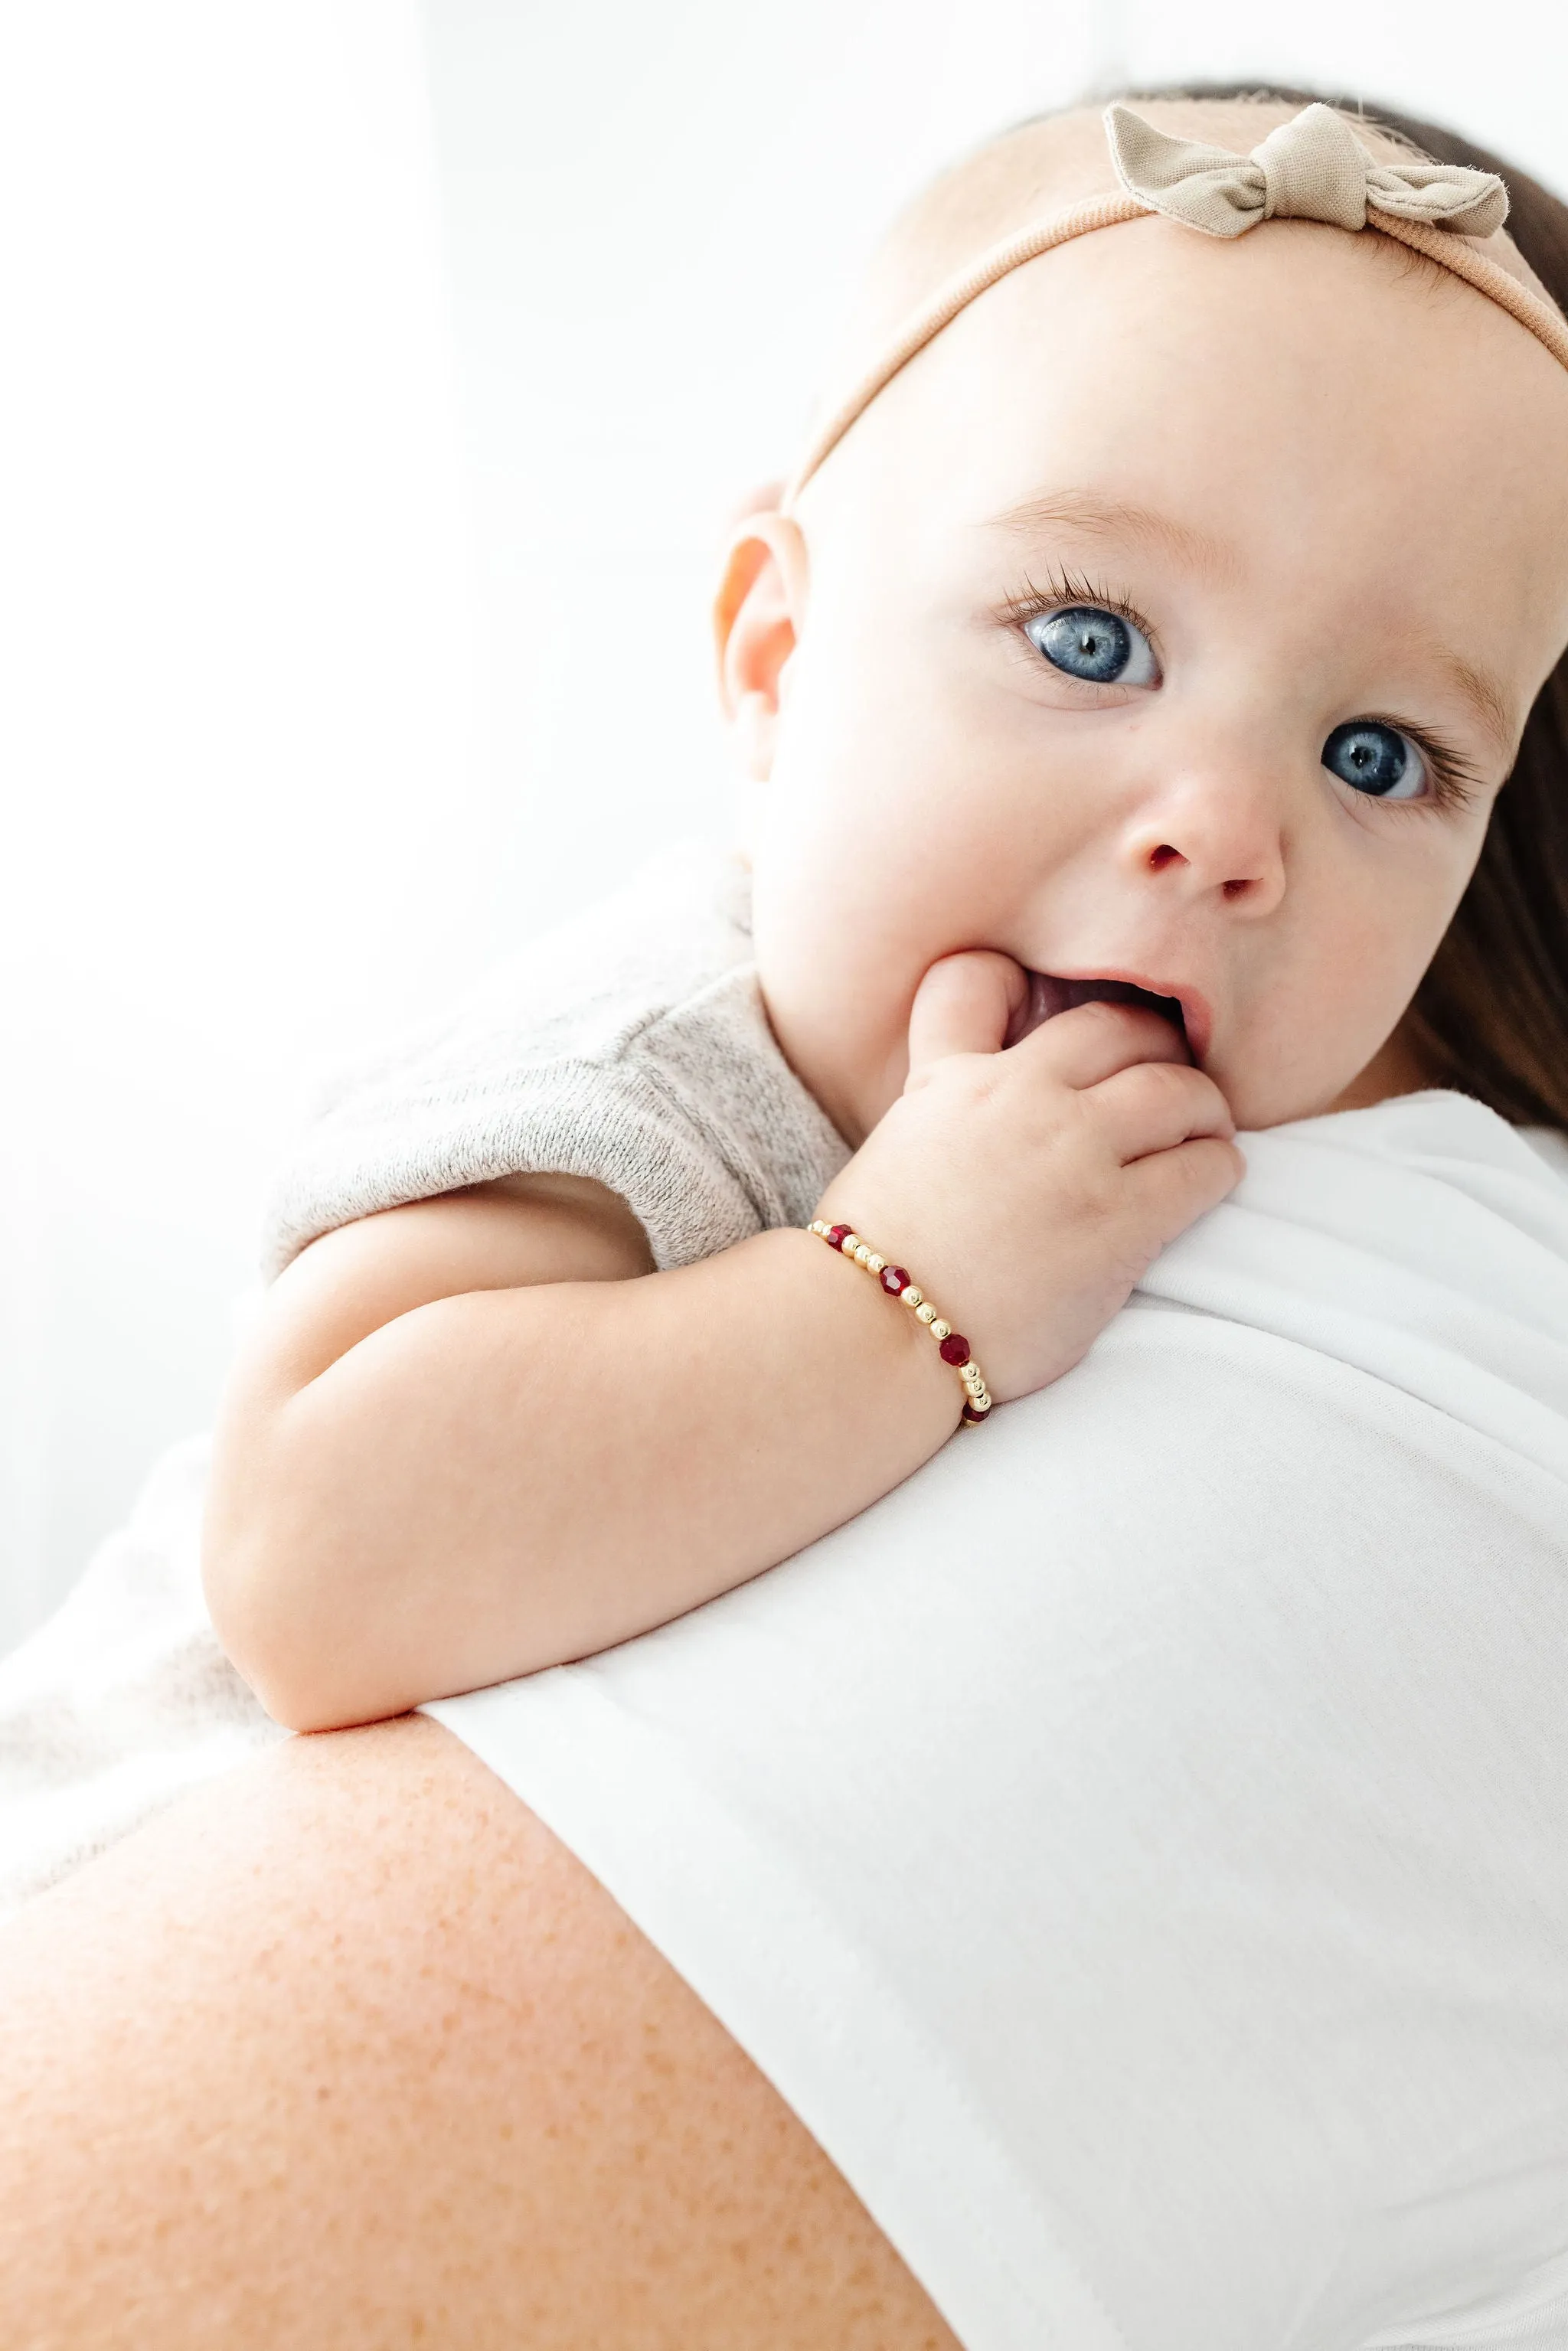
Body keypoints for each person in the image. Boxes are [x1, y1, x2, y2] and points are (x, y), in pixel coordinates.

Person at [4, 85, 1568, 2351]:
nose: (1226, 824)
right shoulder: (643, 1064)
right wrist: (900, 1298)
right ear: (768, 654)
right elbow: (323, 1559)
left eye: (1377, 758)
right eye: (1094, 639)